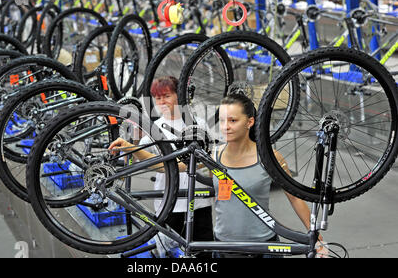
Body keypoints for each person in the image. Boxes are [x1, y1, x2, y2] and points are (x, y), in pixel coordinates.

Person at [212, 87, 325, 258]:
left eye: (233, 120)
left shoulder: (269, 157)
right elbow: (178, 166)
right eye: (221, 121)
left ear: (250, 122)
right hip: (223, 246)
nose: (225, 127)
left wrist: (318, 239)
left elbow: (295, 198)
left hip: (263, 248)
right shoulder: (214, 155)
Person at [109, 76, 214, 257]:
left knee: (202, 252)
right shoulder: (154, 128)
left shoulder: (199, 124)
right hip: (169, 204)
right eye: (157, 98)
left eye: (166, 96)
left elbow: (211, 161)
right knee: (167, 252)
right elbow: (141, 160)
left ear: (179, 95)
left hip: (200, 202)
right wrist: (129, 146)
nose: (161, 102)